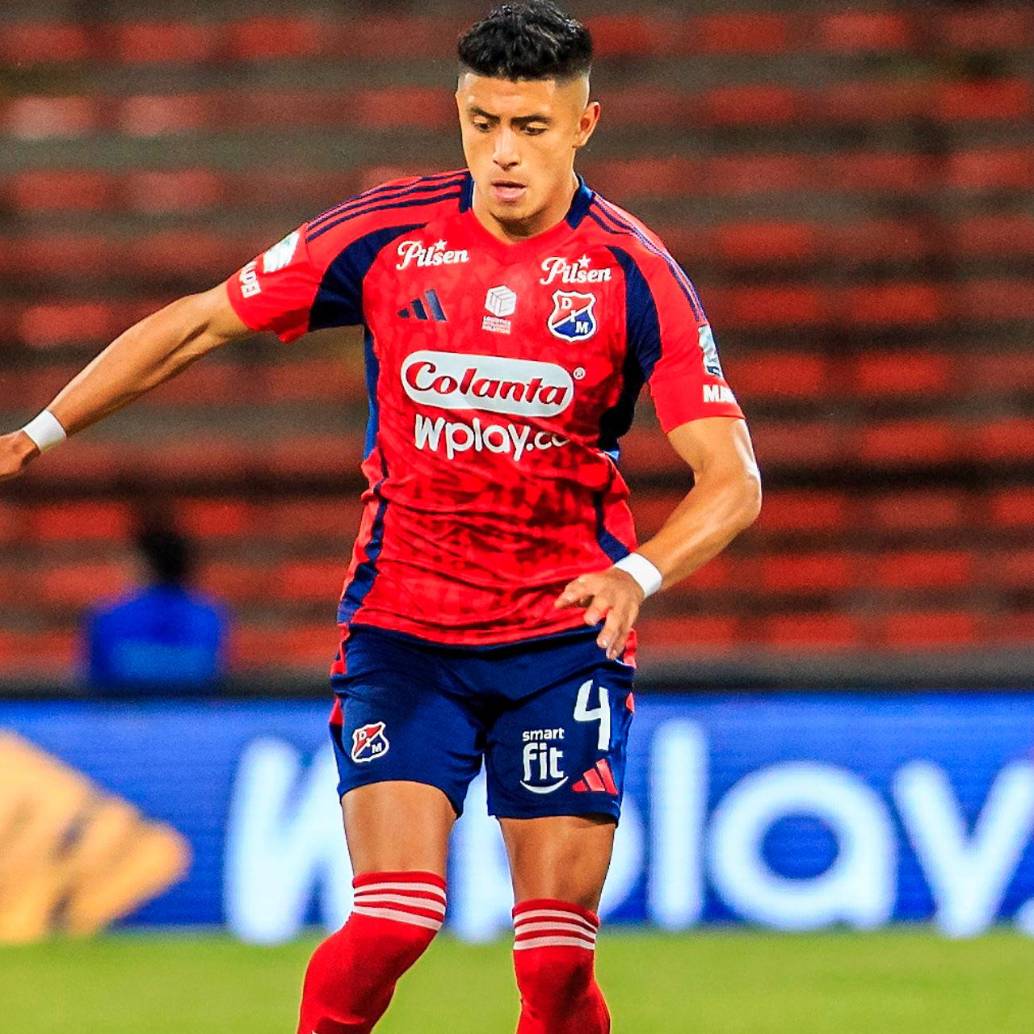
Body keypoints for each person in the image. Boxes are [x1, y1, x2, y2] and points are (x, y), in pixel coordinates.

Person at [0, 3, 761, 1030]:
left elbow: (731, 478)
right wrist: (36, 432)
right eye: (479, 122)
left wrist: (638, 573)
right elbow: (198, 323)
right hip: (404, 633)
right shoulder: (388, 235)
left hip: (562, 643)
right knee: (397, 919)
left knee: (549, 966)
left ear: (583, 125)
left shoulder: (633, 273)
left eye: (528, 128)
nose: (500, 153)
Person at [83, 520, 229, 692]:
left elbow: (93, 689)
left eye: (130, 559)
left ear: (144, 564)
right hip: (189, 715)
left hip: (131, 717)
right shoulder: (211, 616)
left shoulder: (108, 618)